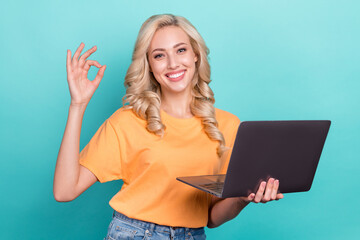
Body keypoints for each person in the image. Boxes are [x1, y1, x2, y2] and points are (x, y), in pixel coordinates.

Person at [53, 14, 284, 240]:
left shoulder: (227, 125)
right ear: (150, 65)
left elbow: (212, 217)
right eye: (159, 55)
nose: (173, 63)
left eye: (181, 50)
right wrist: (78, 104)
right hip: (133, 234)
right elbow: (65, 191)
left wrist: (243, 198)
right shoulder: (127, 122)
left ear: (196, 54)